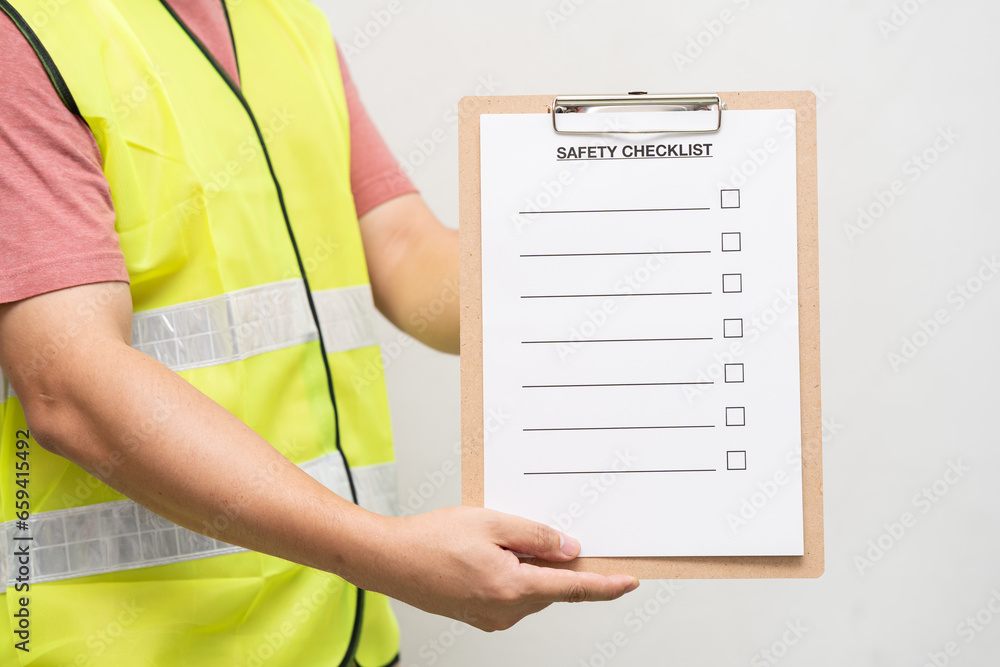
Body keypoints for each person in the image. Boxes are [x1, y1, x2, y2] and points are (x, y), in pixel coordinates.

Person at [0, 0, 638, 664]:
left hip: (342, 637)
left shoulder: (284, 21)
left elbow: (404, 255)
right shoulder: (27, 32)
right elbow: (64, 381)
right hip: (138, 648)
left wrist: (610, 254)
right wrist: (384, 553)